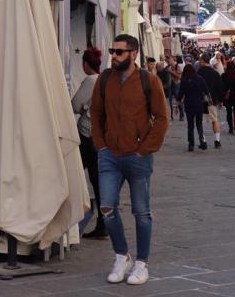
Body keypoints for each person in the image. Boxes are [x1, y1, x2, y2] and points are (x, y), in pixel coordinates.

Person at [90, 34, 169, 286]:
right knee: (107, 208)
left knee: (141, 212)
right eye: (112, 50)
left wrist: (144, 149)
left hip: (138, 157)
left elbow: (162, 118)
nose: (113, 55)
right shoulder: (104, 80)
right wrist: (101, 146)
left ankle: (142, 264)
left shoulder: (149, 80)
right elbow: (96, 114)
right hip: (110, 156)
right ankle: (121, 255)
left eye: (119, 52)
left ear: (133, 54)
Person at [71, 47, 109, 239]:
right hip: (100, 137)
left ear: (85, 63)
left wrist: (84, 107)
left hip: (87, 135)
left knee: (72, 173)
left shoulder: (91, 80)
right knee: (97, 181)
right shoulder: (104, 79)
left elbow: (75, 104)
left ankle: (76, 217)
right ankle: (103, 223)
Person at [178, 64, 210, 152]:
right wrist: (209, 99)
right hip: (199, 104)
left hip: (189, 105)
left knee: (190, 125)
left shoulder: (184, 80)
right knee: (199, 124)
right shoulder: (200, 79)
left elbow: (180, 94)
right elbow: (206, 90)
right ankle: (202, 141)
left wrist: (178, 104)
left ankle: (191, 145)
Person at [197, 52, 224, 148]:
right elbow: (220, 88)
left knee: (201, 122)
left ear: (203, 61)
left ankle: (203, 140)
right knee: (215, 120)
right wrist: (221, 101)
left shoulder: (198, 73)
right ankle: (217, 141)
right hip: (212, 100)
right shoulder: (215, 73)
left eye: (200, 60)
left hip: (201, 101)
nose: (199, 62)